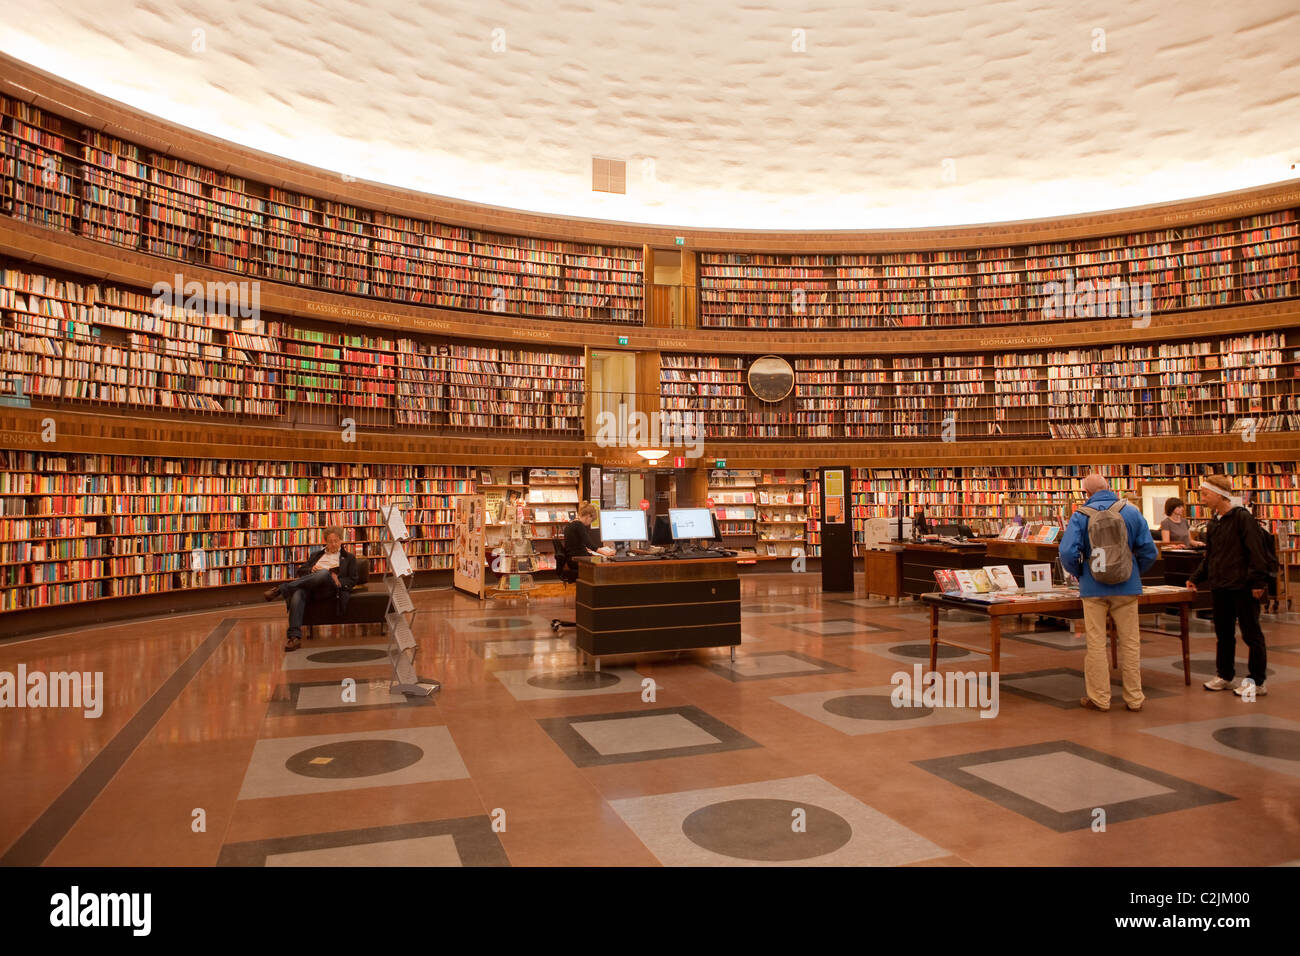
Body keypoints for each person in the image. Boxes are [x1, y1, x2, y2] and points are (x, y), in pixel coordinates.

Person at [1059, 473, 1159, 712]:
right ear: (1109, 487)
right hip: (1127, 587)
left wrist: (1079, 574)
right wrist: (1133, 571)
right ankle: (1134, 698)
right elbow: (1149, 550)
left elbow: (1067, 553)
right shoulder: (1131, 512)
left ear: (1087, 493)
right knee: (1131, 643)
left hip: (1093, 588)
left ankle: (1100, 698)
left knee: (1095, 644)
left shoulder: (1080, 516)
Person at [1187, 474, 1276, 697]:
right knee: (1224, 634)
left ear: (1219, 494)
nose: (1202, 498)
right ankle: (1225, 675)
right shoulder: (1213, 524)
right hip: (1220, 588)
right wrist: (1195, 578)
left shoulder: (1242, 519)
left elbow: (1255, 552)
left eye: (1205, 494)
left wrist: (1258, 582)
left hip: (1243, 587)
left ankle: (1257, 681)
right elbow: (1211, 557)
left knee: (1251, 634)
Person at [263, 526, 359, 651]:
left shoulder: (349, 558)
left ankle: (281, 589)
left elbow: (353, 579)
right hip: (311, 588)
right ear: (326, 542)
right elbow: (301, 571)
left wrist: (338, 580)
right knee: (298, 593)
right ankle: (294, 637)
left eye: (336, 540)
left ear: (341, 541)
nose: (334, 543)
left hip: (330, 589)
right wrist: (311, 569)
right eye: (330, 541)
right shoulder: (316, 555)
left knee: (325, 573)